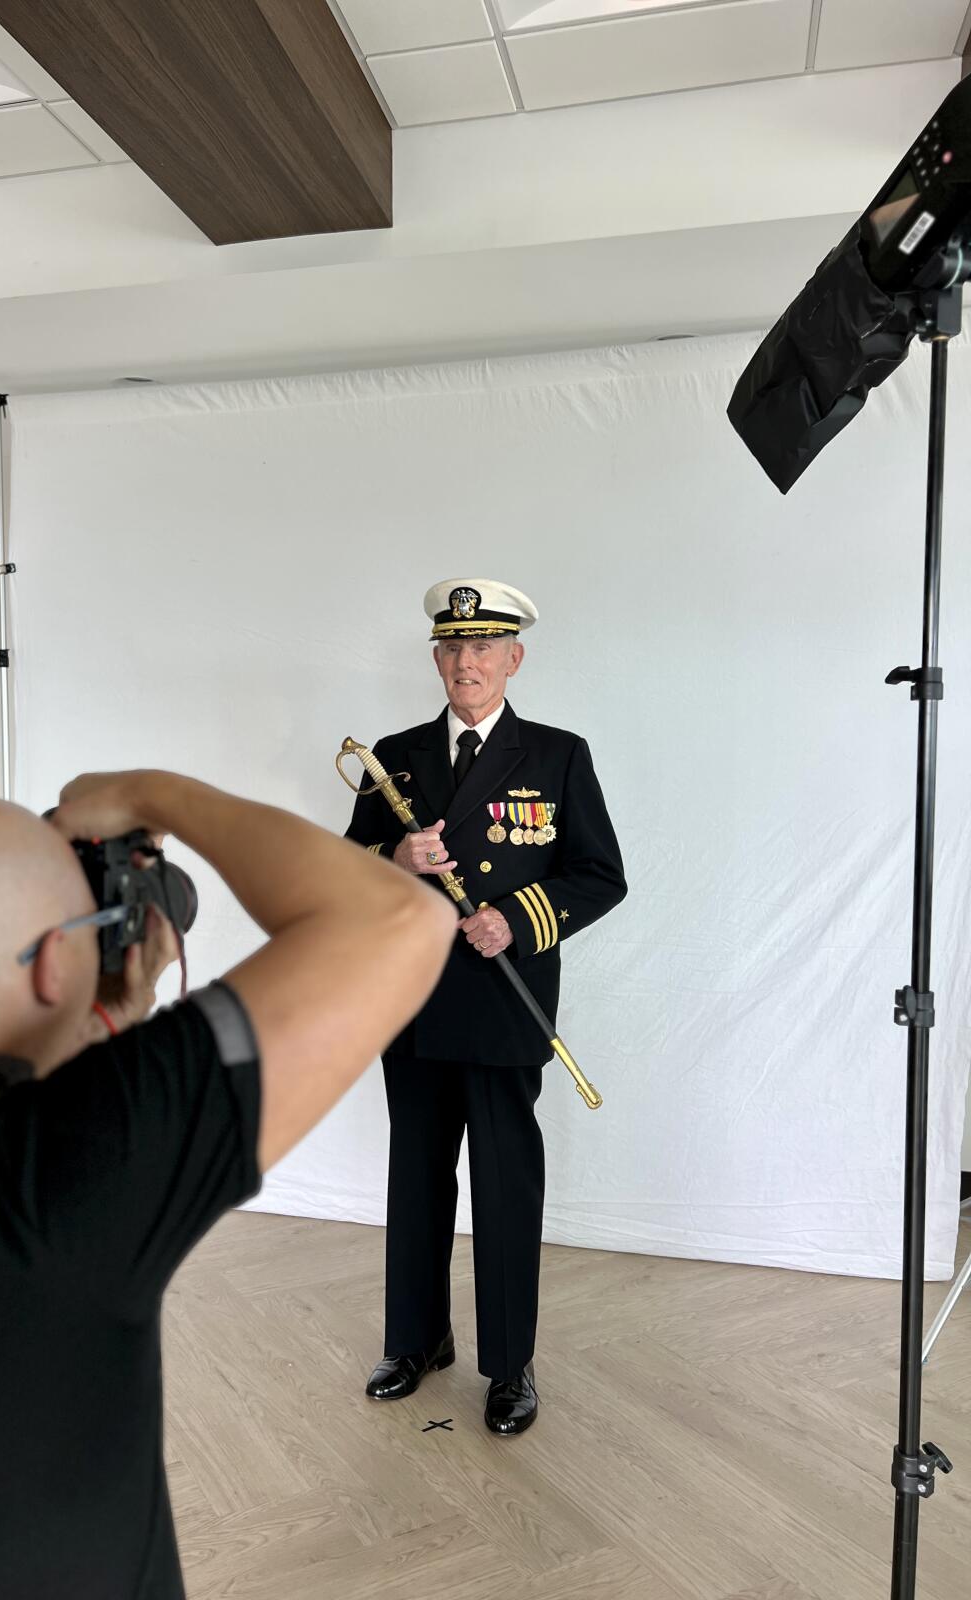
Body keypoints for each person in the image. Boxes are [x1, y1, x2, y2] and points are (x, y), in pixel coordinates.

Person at [0, 770, 454, 1600]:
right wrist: (143, 795)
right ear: (57, 963)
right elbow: (400, 917)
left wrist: (95, 1036)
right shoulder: (57, 1178)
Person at [345, 579, 627, 1435]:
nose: (468, 663)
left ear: (514, 659)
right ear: (436, 659)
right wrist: (395, 855)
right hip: (416, 1004)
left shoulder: (557, 754)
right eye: (453, 648)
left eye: (485, 648)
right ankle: (416, 1340)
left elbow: (600, 875)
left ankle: (510, 1366)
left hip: (506, 1007)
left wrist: (519, 919)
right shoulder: (393, 756)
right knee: (418, 1179)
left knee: (505, 1188)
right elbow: (344, 875)